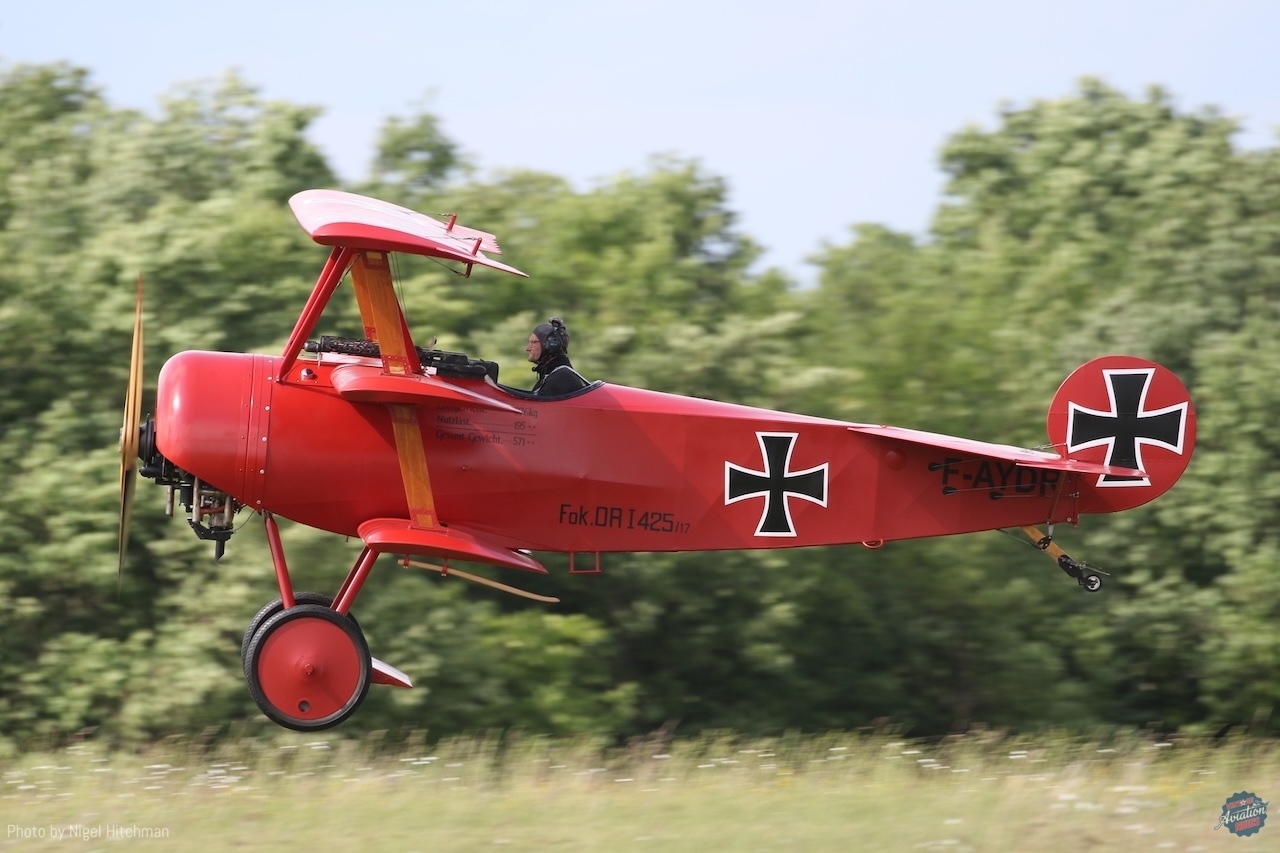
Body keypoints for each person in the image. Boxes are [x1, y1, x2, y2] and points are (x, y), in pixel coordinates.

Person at [526, 317, 589, 396]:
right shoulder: (551, 375)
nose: (527, 348)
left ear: (551, 345)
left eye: (533, 342)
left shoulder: (562, 378)